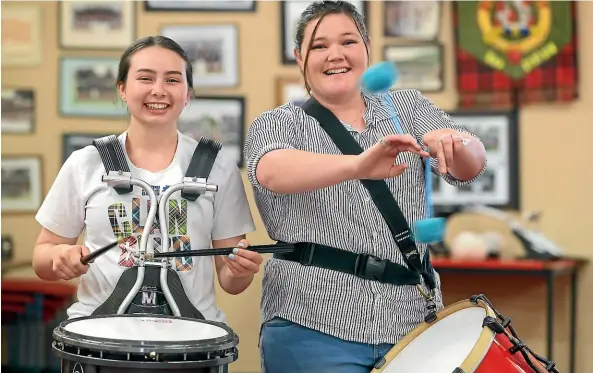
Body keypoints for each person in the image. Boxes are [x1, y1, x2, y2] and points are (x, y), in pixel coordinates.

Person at [244, 1, 487, 372]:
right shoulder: (278, 123)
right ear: (298, 57)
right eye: (319, 46)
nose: (335, 55)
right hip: (310, 324)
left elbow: (470, 167)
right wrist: (359, 165)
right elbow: (272, 171)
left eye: (347, 42)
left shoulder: (407, 107)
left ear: (367, 47)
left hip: (411, 324)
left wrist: (456, 142)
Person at [32, 36, 262, 323]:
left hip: (191, 337)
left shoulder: (218, 166)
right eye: (145, 78)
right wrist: (59, 258)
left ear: (188, 93)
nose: (158, 90)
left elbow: (230, 281)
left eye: (172, 80)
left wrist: (240, 270)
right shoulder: (86, 162)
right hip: (101, 335)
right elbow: (42, 258)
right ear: (123, 89)